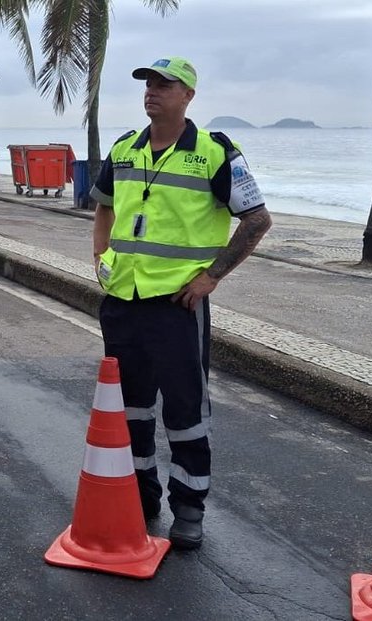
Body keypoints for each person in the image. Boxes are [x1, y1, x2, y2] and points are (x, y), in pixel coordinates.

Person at [91, 56, 272, 550]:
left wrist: (211, 277)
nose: (152, 91)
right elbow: (103, 204)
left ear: (188, 94)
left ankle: (188, 508)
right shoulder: (125, 148)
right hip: (123, 301)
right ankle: (141, 496)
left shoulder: (215, 153)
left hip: (177, 307)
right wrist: (99, 256)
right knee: (130, 410)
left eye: (164, 85)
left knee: (185, 411)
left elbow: (257, 220)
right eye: (148, 83)